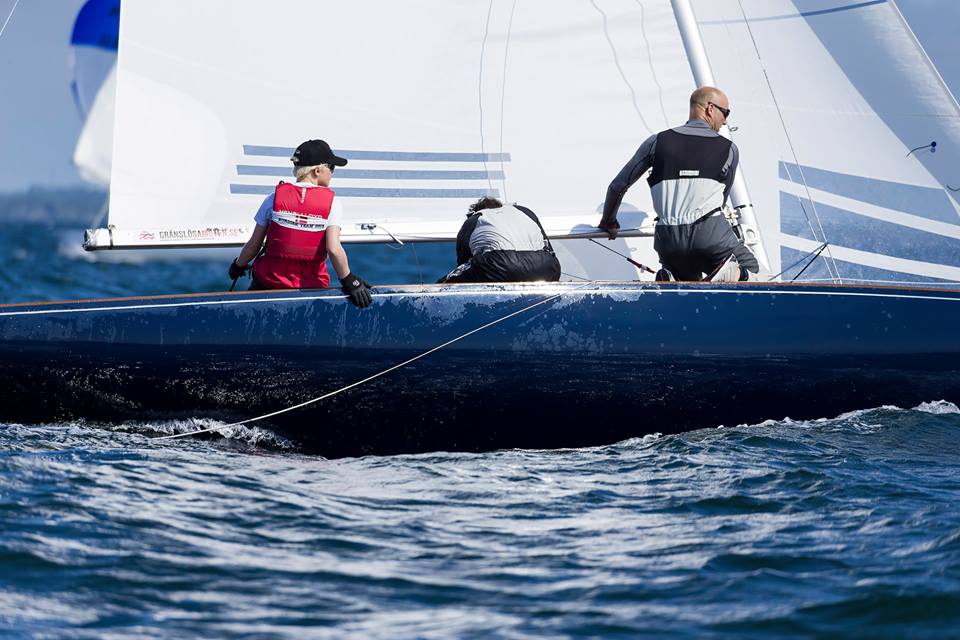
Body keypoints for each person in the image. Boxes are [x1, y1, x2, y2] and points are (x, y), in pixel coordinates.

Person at [598, 86, 759, 282]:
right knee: (757, 274)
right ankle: (737, 273)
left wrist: (609, 221)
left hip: (669, 241)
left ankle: (669, 277)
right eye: (725, 113)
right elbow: (721, 203)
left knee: (686, 290)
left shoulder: (657, 141)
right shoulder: (729, 149)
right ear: (710, 109)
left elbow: (618, 186)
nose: (725, 120)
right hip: (710, 236)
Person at [228, 139, 372, 308]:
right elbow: (333, 249)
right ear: (317, 171)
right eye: (331, 167)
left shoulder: (273, 198)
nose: (332, 172)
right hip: (310, 291)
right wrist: (349, 280)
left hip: (267, 285)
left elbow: (254, 245)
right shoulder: (332, 204)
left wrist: (238, 265)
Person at [439, 197, 561, 283]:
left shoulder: (476, 218)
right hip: (547, 266)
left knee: (449, 280)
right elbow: (549, 249)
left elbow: (463, 263)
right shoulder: (525, 211)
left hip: (500, 264)